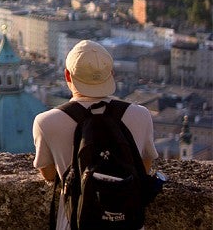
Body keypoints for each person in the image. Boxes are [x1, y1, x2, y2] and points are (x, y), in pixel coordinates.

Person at [32, 40, 158, 230]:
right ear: (111, 75)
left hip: (75, 221)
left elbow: (49, 174)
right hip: (127, 221)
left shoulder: (45, 122)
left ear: (67, 75)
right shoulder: (141, 115)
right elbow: (144, 167)